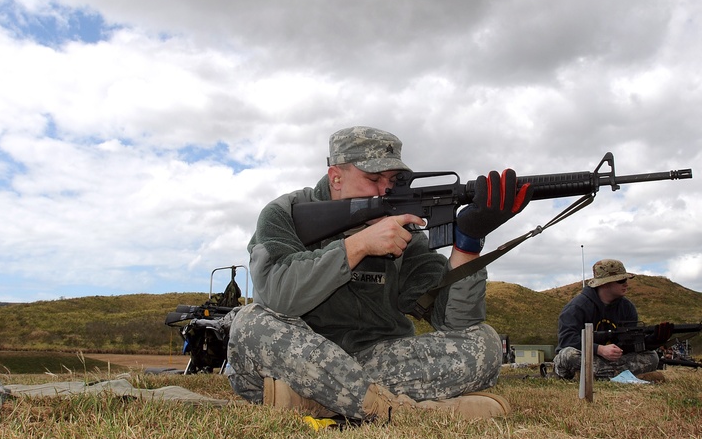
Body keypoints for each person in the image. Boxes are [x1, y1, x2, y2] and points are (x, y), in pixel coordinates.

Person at [226, 126, 530, 421]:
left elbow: (453, 321)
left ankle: (317, 401)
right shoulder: (285, 213)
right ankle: (394, 412)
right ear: (336, 177)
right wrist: (357, 246)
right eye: (373, 178)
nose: (384, 189)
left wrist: (468, 244)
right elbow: (279, 298)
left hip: (371, 361)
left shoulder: (404, 230)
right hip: (300, 357)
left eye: (393, 179)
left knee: (484, 344)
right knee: (249, 324)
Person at [552, 258, 659, 380]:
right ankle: (619, 375)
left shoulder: (627, 308)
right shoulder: (576, 307)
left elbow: (630, 342)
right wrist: (599, 349)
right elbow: (567, 339)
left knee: (652, 356)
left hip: (612, 360)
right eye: (621, 280)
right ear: (606, 283)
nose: (626, 284)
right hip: (585, 357)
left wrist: (652, 341)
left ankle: (593, 375)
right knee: (568, 355)